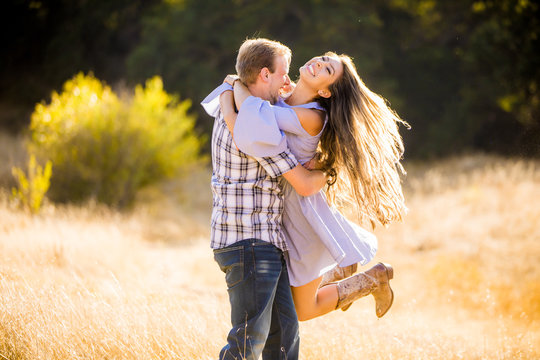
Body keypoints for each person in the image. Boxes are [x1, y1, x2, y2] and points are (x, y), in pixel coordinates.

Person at [217, 51, 409, 322]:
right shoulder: (288, 100)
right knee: (291, 297)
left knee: (302, 310)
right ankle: (343, 269)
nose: (319, 63)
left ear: (326, 92)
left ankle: (371, 280)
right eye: (323, 58)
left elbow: (251, 119)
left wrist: (231, 88)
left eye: (327, 70)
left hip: (301, 219)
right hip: (281, 212)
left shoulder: (312, 116)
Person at [201, 38, 332, 360]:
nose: (288, 82)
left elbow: (234, 87)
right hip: (249, 243)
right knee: (248, 342)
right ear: (264, 75)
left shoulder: (237, 104)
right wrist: (332, 170)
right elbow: (302, 184)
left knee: (283, 339)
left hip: (262, 243)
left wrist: (233, 83)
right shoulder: (256, 130)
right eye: (283, 74)